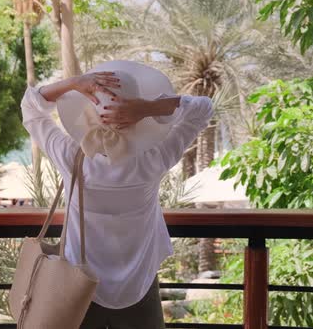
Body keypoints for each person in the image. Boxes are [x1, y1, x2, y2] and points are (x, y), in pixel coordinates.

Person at [19, 61, 212, 328]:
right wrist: (147, 108)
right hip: (139, 285)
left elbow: (30, 108)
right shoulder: (152, 161)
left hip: (79, 285)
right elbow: (202, 109)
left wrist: (75, 82)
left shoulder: (71, 157)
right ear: (132, 115)